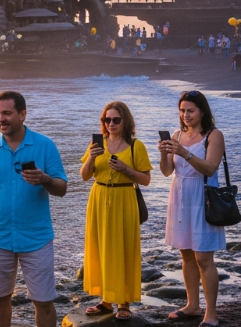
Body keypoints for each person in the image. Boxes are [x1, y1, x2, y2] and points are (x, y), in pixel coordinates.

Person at [0, 91, 67, 327]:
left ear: (22, 114)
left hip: (36, 237)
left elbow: (62, 188)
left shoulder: (44, 145)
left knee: (43, 301)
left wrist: (45, 179)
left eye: (7, 113)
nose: (1, 118)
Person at [159, 91, 226, 327]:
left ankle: (211, 314)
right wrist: (165, 153)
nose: (185, 115)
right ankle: (192, 305)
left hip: (202, 198)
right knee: (186, 254)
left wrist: (184, 152)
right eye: (182, 110)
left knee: (204, 258)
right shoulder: (177, 134)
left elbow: (209, 169)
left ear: (202, 112)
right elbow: (167, 172)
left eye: (190, 110)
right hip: (180, 197)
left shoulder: (213, 135)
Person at [79, 102, 152, 320]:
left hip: (124, 198)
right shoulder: (97, 143)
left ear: (125, 121)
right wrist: (92, 157)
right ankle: (105, 300)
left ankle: (124, 302)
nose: (110, 124)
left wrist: (126, 169)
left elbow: (146, 179)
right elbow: (84, 175)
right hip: (99, 198)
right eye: (106, 120)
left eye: (116, 120)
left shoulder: (135, 145)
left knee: (123, 247)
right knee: (100, 247)